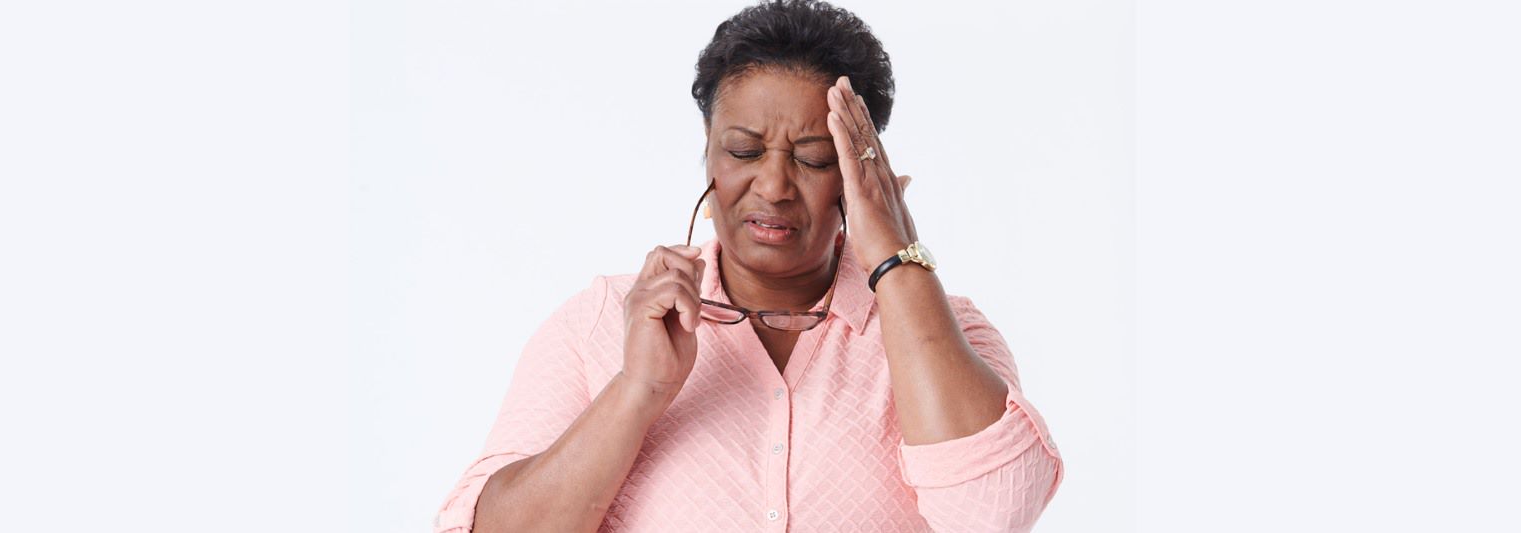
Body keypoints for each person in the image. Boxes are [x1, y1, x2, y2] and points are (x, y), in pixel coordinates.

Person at [435, 1, 1062, 531]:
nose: (774, 186)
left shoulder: (948, 332)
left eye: (815, 158)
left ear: (858, 173)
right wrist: (637, 391)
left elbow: (993, 511)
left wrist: (897, 259)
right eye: (744, 150)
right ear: (708, 155)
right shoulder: (599, 323)